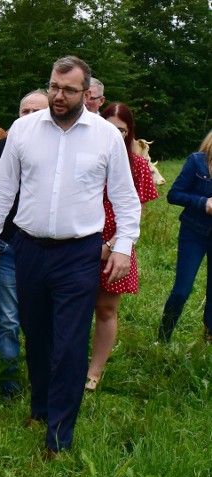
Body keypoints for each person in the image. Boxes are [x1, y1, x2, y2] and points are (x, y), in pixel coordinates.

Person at [0, 56, 141, 457]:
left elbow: (125, 198)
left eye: (68, 90)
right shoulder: (24, 130)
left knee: (69, 343)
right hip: (29, 248)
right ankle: (41, 406)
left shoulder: (104, 136)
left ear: (87, 94)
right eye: (54, 86)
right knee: (37, 334)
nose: (59, 96)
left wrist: (123, 246)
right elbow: (1, 191)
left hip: (79, 253)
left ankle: (59, 436)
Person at [0, 89, 49, 401]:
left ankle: (41, 377)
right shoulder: (0, 149)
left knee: (43, 317)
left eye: (37, 112)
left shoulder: (60, 152)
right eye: (25, 112)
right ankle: (7, 383)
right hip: (7, 248)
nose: (30, 118)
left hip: (47, 252)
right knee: (8, 319)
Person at [86, 103, 159, 390]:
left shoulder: (137, 164)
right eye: (111, 128)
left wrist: (112, 245)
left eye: (122, 131)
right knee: (73, 308)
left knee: (105, 309)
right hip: (79, 243)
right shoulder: (85, 158)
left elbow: (135, 212)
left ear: (129, 134)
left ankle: (94, 373)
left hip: (116, 244)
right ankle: (66, 364)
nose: (115, 135)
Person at [158, 129, 212, 343]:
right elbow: (174, 194)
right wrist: (203, 202)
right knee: (181, 291)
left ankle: (208, 339)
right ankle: (162, 338)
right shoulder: (197, 162)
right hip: (194, 233)